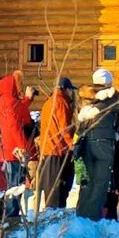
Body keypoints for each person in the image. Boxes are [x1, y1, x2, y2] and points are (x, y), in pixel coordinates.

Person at [71, 70, 119, 221]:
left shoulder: (83, 99)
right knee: (100, 183)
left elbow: (78, 123)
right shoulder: (108, 99)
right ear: (108, 83)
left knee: (86, 182)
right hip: (101, 142)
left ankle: (82, 216)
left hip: (83, 145)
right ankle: (93, 217)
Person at [0, 72, 37, 209]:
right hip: (14, 150)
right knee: (15, 184)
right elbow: (14, 126)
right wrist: (22, 146)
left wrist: (28, 99)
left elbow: (20, 108)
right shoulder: (10, 102)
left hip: (7, 149)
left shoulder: (3, 101)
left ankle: (10, 212)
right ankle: (11, 213)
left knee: (12, 182)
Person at [37, 75, 77, 211]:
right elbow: (64, 127)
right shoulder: (61, 102)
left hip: (48, 149)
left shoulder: (49, 101)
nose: (72, 93)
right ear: (66, 89)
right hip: (57, 150)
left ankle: (51, 216)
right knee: (58, 189)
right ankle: (55, 219)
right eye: (71, 90)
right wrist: (72, 144)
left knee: (51, 188)